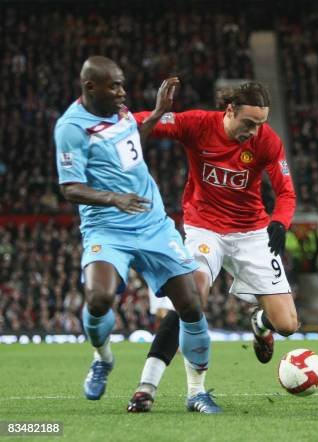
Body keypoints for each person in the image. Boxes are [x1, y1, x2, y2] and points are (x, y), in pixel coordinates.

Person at [54, 56, 220, 413]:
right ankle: (103, 358)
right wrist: (113, 198)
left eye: (122, 84)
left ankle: (197, 393)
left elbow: (131, 146)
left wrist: (158, 112)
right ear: (90, 87)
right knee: (98, 298)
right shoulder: (71, 128)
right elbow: (70, 187)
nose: (121, 92)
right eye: (114, 86)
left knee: (191, 304)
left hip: (152, 224)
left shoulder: (122, 112)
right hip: (106, 226)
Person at [126, 82, 297, 413]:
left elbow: (286, 192)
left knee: (288, 325)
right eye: (249, 123)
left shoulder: (267, 141)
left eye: (261, 123)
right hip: (205, 229)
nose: (255, 131)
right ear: (229, 111)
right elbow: (143, 122)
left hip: (252, 233)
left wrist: (280, 222)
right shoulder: (198, 124)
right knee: (192, 297)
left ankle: (261, 323)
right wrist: (118, 121)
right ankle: (166, 388)